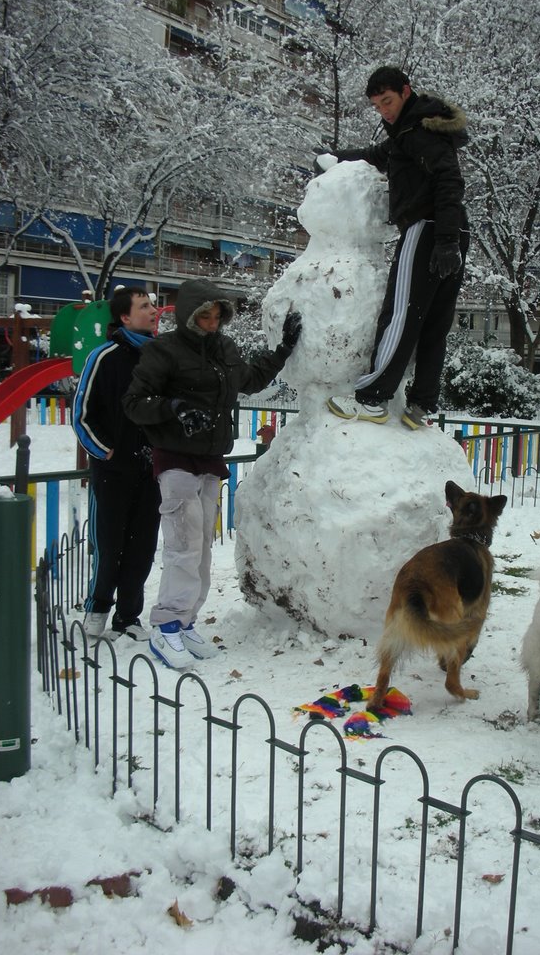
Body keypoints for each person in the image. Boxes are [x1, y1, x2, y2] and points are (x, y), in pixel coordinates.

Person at [123, 278, 301, 670]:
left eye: (218, 314)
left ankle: (185, 622)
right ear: (189, 314)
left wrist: (284, 350)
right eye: (206, 314)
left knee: (201, 546)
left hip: (208, 458)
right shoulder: (162, 350)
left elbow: (249, 380)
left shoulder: (223, 348)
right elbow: (135, 402)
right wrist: (174, 408)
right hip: (174, 457)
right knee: (183, 544)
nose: (213, 320)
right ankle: (166, 625)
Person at [320, 65, 469, 430]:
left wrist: (444, 239)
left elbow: (450, 179)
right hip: (452, 232)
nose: (384, 110)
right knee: (435, 321)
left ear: (406, 90)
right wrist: (335, 157)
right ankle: (421, 404)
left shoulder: (418, 131)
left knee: (400, 314)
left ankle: (372, 399)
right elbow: (378, 154)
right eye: (377, 105)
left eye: (387, 101)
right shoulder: (411, 131)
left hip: (429, 229)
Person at [72, 286, 161, 641]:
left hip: (150, 469)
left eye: (153, 305)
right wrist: (103, 450)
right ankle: (97, 608)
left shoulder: (160, 357)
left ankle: (128, 616)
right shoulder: (103, 356)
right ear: (124, 317)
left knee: (142, 546)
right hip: (112, 470)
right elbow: (81, 414)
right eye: (144, 306)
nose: (153, 310)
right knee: (110, 544)